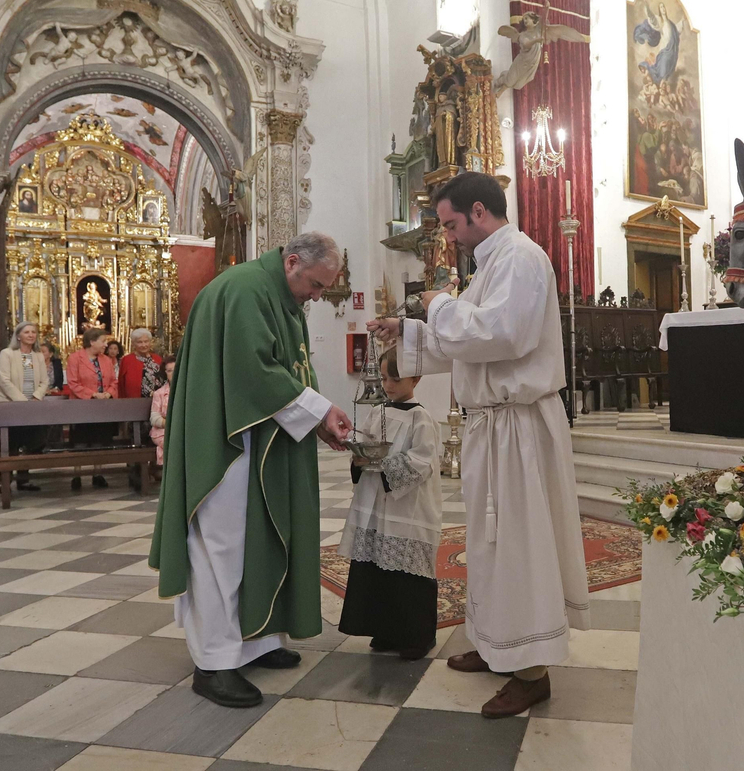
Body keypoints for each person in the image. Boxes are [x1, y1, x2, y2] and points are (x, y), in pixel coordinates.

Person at [369, 172, 589, 718]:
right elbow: (472, 344)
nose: (449, 237)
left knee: (519, 543)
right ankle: (497, 645)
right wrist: (410, 330)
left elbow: (503, 335)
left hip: (519, 427)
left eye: (450, 225)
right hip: (493, 427)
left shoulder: (519, 257)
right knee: (490, 543)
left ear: (477, 211)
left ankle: (532, 672)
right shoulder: (491, 263)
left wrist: (438, 305)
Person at [150, 232, 354, 709]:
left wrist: (319, 419)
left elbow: (295, 370)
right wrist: (319, 412)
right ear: (292, 261)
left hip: (258, 437)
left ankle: (255, 640)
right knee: (222, 548)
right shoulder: (245, 289)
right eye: (317, 284)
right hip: (227, 445)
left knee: (254, 540)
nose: (318, 295)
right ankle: (214, 664)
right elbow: (253, 370)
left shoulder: (277, 295)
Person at [337, 347, 441, 660]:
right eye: (384, 378)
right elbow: (367, 442)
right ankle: (383, 631)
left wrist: (385, 464)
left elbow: (423, 461)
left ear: (416, 378)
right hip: (374, 503)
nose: (389, 385)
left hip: (406, 507)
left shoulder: (421, 418)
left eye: (396, 378)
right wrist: (358, 455)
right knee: (375, 569)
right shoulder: (377, 410)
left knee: (406, 576)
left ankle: (415, 638)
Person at [0, 321, 50, 492]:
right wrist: (21, 401)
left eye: (33, 332)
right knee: (10, 445)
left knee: (29, 443)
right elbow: (4, 380)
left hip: (32, 405)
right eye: (27, 332)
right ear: (18, 336)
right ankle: (5, 482)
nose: (31, 335)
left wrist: (36, 397)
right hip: (10, 405)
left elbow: (44, 380)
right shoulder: (7, 354)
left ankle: (23, 479)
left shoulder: (38, 356)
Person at [66, 327, 118, 490]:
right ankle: (77, 475)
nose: (105, 344)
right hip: (82, 406)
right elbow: (73, 383)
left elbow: (113, 382)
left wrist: (108, 393)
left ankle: (98, 473)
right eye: (103, 341)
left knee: (99, 440)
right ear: (92, 342)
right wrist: (93, 394)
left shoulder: (106, 360)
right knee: (80, 442)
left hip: (102, 406)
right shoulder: (75, 358)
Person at [119, 328, 165, 399]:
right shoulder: (127, 360)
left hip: (157, 400)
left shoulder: (157, 359)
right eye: (139, 342)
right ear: (134, 344)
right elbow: (121, 384)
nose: (143, 345)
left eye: (146, 341)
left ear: (150, 342)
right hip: (135, 402)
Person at [149, 355, 176, 467]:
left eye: (176, 370)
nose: (173, 374)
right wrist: (169, 423)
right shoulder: (159, 393)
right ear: (165, 373)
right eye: (169, 371)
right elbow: (154, 418)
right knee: (173, 444)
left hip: (184, 430)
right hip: (163, 431)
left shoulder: (190, 391)